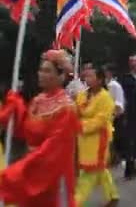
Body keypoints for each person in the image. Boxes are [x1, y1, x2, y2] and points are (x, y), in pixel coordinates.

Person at [0, 49, 80, 206]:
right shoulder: (38, 100)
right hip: (34, 166)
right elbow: (26, 131)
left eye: (47, 71)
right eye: (41, 70)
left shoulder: (66, 107)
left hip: (51, 172)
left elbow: (53, 149)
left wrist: (19, 170)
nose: (41, 74)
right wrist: (15, 106)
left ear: (61, 75)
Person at [74, 64, 120, 207]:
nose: (86, 78)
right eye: (86, 76)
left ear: (100, 80)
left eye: (90, 76)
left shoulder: (106, 98)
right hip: (83, 140)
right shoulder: (82, 95)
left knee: (89, 173)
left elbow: (99, 121)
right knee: (100, 170)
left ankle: (76, 202)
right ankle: (112, 195)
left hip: (99, 139)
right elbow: (75, 112)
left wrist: (80, 125)